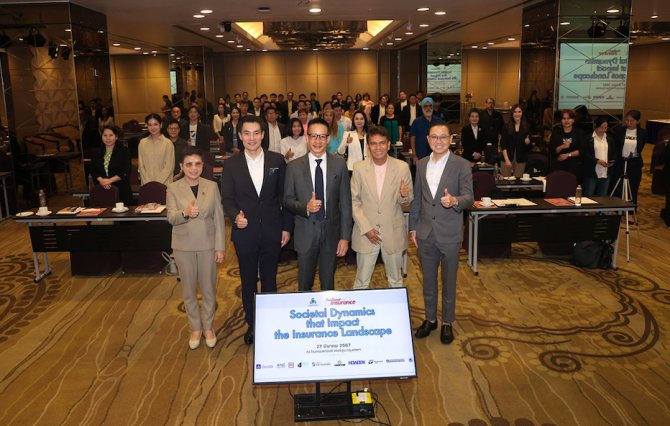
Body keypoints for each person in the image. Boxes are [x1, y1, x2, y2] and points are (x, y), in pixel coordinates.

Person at [221, 115, 292, 345]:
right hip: (245, 233)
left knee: (270, 280)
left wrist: (286, 227)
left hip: (272, 230)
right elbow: (227, 199)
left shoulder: (277, 160)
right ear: (240, 136)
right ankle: (252, 325)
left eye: (256, 133)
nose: (252, 138)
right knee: (248, 281)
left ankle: (269, 324)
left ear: (263, 135)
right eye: (247, 133)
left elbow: (286, 197)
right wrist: (235, 216)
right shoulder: (231, 164)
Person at [409, 120, 473, 344]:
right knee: (428, 280)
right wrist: (413, 227)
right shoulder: (421, 164)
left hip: (450, 233)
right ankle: (430, 319)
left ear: (451, 139)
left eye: (443, 137)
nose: (439, 141)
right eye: (434, 137)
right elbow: (418, 197)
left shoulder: (462, 164)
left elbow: (469, 197)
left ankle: (447, 322)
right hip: (425, 232)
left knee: (448, 280)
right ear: (428, 140)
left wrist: (455, 201)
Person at [283, 118, 352, 291]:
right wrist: (305, 207)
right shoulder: (294, 167)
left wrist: (345, 237)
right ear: (307, 138)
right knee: (304, 284)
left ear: (328, 139)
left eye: (322, 136)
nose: (318, 141)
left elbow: (346, 203)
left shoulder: (339, 165)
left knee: (328, 284)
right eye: (314, 136)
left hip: (331, 233)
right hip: (305, 232)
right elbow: (287, 200)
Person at [167, 146, 225, 350]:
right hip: (183, 247)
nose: (193, 168)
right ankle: (195, 328)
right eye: (189, 164)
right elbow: (171, 217)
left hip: (208, 245)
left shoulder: (212, 186)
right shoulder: (173, 188)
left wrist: (220, 247)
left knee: (209, 289)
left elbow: (219, 219)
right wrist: (185, 212)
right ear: (181, 166)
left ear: (203, 165)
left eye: (197, 163)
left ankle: (208, 327)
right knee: (189, 290)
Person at [351, 126, 413, 289]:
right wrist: (367, 229)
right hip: (366, 233)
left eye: (382, 143)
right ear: (368, 146)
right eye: (373, 143)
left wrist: (404, 195)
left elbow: (407, 201)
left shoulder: (402, 167)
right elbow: (354, 202)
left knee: (395, 282)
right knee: (361, 282)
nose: (378, 147)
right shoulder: (358, 168)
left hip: (392, 231)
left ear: (388, 144)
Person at [611, 110, 647, 209]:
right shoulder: (620, 131)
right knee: (618, 187)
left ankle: (631, 211)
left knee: (633, 188)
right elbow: (615, 146)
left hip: (634, 163)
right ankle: (617, 210)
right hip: (620, 162)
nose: (629, 123)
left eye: (632, 121)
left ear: (638, 121)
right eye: (627, 120)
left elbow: (641, 146)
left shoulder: (642, 132)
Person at [90, 126, 133, 206]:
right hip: (102, 188)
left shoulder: (124, 151)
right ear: (101, 137)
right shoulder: (95, 152)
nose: (108, 138)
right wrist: (101, 180)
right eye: (105, 135)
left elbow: (126, 171)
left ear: (116, 137)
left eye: (111, 135)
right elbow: (93, 170)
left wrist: (110, 180)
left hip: (121, 189)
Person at [583, 116, 616, 197]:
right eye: (601, 127)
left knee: (603, 194)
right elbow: (584, 154)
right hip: (592, 170)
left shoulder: (610, 138)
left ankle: (601, 206)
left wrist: (612, 161)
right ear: (595, 125)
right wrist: (597, 161)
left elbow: (614, 152)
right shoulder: (588, 138)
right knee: (589, 194)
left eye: (605, 128)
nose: (603, 130)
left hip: (606, 170)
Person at [138, 113, 174, 186]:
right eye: (150, 125)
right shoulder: (142, 143)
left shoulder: (168, 143)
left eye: (155, 124)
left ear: (161, 124)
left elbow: (169, 167)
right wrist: (149, 183)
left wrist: (156, 184)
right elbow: (141, 166)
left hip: (164, 184)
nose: (153, 127)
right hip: (146, 184)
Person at [548, 109, 584, 177]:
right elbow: (552, 150)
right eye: (564, 118)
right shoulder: (556, 133)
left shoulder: (580, 133)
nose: (566, 121)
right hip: (558, 167)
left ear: (573, 120)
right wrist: (562, 147)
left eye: (569, 118)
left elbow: (582, 150)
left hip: (574, 167)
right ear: (561, 120)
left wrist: (568, 155)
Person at [500, 104, 532, 178]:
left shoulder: (527, 126)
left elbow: (529, 148)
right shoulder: (506, 126)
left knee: (518, 181)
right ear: (512, 113)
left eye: (519, 112)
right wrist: (507, 160)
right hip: (507, 157)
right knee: (505, 181)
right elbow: (503, 144)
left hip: (521, 158)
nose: (517, 114)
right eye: (515, 112)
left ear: (522, 113)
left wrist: (527, 143)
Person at [409, 98, 440, 165]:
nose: (428, 108)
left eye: (430, 106)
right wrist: (414, 155)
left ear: (432, 107)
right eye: (426, 106)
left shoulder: (438, 121)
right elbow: (412, 139)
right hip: (420, 155)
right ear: (422, 108)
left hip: (437, 155)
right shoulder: (416, 122)